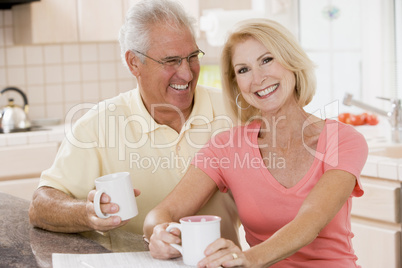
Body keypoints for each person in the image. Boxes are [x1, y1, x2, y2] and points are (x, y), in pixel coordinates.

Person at [144, 18, 368, 268]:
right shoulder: (226, 147)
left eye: (267, 60)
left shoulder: (344, 140)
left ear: (291, 61)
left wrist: (246, 258)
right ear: (237, 85)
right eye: (243, 70)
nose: (258, 78)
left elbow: (310, 221)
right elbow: (160, 214)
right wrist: (160, 233)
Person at [28, 0, 240, 246]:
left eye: (192, 57)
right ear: (134, 63)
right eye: (171, 61)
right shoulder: (96, 126)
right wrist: (87, 212)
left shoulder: (234, 112)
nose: (187, 73)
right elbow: (40, 205)